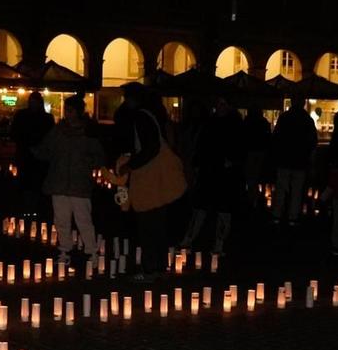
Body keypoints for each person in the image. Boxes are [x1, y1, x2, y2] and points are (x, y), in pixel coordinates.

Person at [111, 84, 184, 280]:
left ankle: (150, 268)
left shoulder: (140, 117)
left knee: (147, 225)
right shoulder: (153, 115)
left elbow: (150, 149)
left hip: (148, 179)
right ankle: (159, 267)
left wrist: (131, 164)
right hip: (156, 179)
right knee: (157, 225)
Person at [36, 99, 105, 263]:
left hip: (79, 182)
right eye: (66, 110)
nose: (68, 114)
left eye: (71, 110)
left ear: (79, 112)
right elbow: (46, 149)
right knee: (61, 220)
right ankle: (64, 250)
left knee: (83, 219)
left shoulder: (88, 133)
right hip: (59, 181)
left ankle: (91, 252)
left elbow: (99, 156)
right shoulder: (58, 131)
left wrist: (88, 162)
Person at [182, 96, 244, 254]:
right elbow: (202, 145)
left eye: (224, 104)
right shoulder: (210, 123)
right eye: (218, 104)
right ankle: (189, 239)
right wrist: (197, 164)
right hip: (208, 171)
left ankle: (219, 243)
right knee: (200, 207)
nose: (220, 107)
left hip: (226, 174)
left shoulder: (236, 124)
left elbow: (241, 148)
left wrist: (233, 161)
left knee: (224, 210)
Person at [271, 98, 316, 225]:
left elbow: (276, 138)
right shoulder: (307, 120)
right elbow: (312, 143)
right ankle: (293, 217)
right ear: (303, 104)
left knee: (281, 190)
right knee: (297, 192)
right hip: (300, 162)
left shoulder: (284, 118)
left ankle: (277, 215)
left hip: (284, 160)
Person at [10, 92, 54, 218]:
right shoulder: (45, 118)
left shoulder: (22, 116)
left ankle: (29, 210)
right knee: (32, 184)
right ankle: (33, 210)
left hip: (30, 156)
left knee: (30, 184)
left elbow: (14, 133)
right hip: (32, 157)